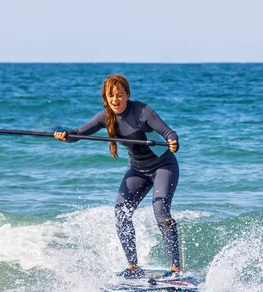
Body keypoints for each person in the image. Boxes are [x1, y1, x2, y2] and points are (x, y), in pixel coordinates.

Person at [54, 74, 181, 279]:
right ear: (106, 97)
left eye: (119, 95)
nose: (115, 100)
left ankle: (175, 270)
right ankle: (133, 267)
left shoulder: (142, 111)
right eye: (111, 96)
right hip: (138, 169)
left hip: (163, 166)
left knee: (160, 209)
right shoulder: (105, 116)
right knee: (121, 212)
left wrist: (173, 141)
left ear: (127, 95)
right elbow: (77, 133)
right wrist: (64, 134)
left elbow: (168, 132)